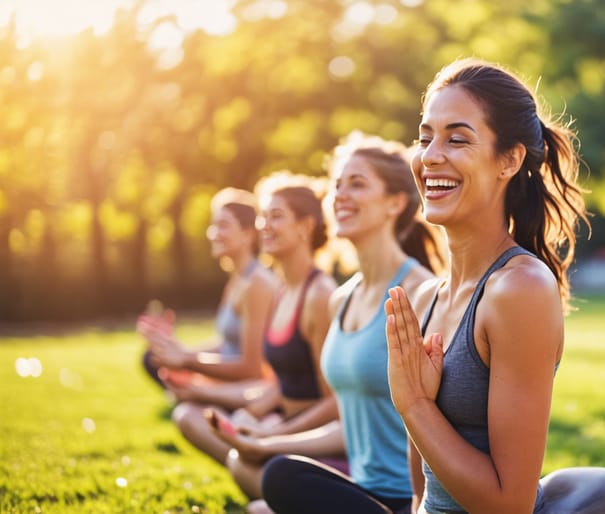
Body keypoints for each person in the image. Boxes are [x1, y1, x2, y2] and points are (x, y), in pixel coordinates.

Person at [384, 58, 605, 514]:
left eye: (457, 139)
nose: (430, 156)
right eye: (425, 138)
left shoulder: (519, 290)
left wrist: (415, 406)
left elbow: (511, 506)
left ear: (509, 160)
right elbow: (422, 491)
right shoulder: (426, 297)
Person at [259, 132, 445, 514]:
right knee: (272, 484)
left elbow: (443, 418)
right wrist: (265, 442)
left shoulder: (421, 292)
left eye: (356, 184)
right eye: (336, 185)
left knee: (276, 480)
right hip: (361, 489)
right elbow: (349, 419)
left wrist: (422, 505)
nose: (340, 195)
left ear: (395, 202)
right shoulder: (340, 299)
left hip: (409, 499)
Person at [176, 176, 340, 480]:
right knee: (196, 421)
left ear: (305, 227)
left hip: (316, 438)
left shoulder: (319, 295)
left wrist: (274, 436)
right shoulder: (281, 290)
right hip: (283, 422)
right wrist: (249, 417)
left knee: (240, 464)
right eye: (263, 216)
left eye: (275, 217)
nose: (263, 225)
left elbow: (335, 402)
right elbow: (280, 382)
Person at [138, 187, 277, 410]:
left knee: (186, 414)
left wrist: (188, 361)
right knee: (152, 358)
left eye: (223, 225)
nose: (213, 233)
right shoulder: (237, 280)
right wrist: (177, 350)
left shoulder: (257, 284)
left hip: (250, 389)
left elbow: (253, 369)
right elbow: (228, 344)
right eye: (213, 225)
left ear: (247, 234)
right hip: (230, 380)